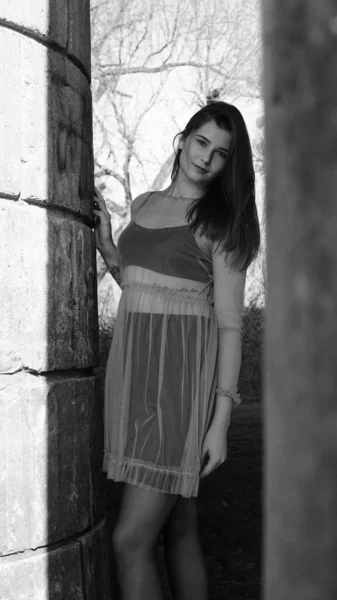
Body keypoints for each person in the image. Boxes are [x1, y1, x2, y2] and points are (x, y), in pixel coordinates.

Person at [93, 101, 260, 600]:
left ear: (230, 165)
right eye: (201, 142)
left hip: (177, 390)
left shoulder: (220, 224)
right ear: (183, 139)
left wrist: (220, 422)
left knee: (129, 541)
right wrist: (108, 248)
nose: (206, 158)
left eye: (221, 153)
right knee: (179, 527)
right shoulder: (142, 204)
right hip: (134, 378)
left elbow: (230, 327)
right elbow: (145, 292)